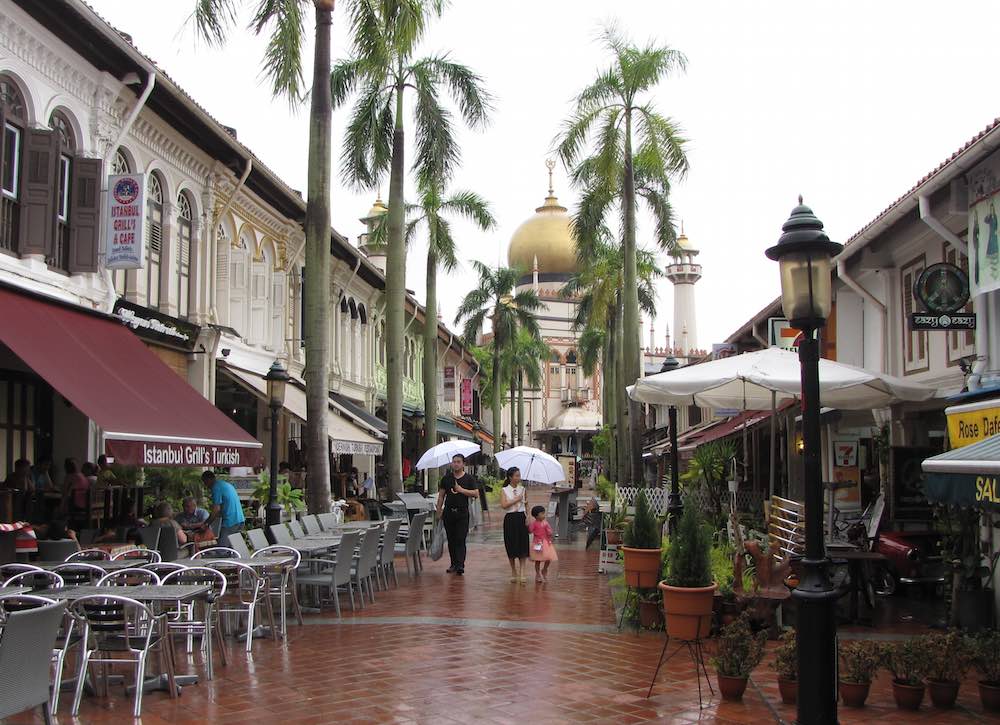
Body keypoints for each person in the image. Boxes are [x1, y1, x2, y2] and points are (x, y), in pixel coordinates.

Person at [435, 454, 478, 575]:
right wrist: (439, 510)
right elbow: (441, 495)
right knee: (451, 539)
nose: (456, 464)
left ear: (463, 464)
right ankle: (453, 563)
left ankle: (460, 565)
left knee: (460, 538)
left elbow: (476, 493)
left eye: (458, 462)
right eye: (454, 462)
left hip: (462, 512)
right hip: (449, 512)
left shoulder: (469, 478)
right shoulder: (446, 478)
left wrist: (461, 490)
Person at [500, 466, 529, 584]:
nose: (518, 477)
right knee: (511, 544)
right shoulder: (504, 490)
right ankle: (513, 570)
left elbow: (526, 504)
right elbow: (504, 505)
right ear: (510, 477)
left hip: (521, 517)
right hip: (510, 518)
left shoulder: (523, 489)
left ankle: (522, 572)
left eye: (519, 475)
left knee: (523, 545)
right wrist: (516, 499)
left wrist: (528, 517)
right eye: (516, 475)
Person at [202, 471, 245, 542]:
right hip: (240, 520)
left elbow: (216, 509)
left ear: (208, 479)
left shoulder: (216, 488)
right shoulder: (224, 484)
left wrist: (206, 524)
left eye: (205, 482)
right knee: (233, 546)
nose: (205, 485)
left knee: (222, 547)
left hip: (230, 522)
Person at [528, 504, 557, 582]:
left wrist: (550, 533)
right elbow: (530, 531)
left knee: (548, 558)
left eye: (544, 513)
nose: (544, 515)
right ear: (536, 516)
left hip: (546, 543)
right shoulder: (534, 523)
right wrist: (528, 525)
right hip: (537, 543)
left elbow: (550, 531)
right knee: (538, 560)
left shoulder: (545, 523)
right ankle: (537, 574)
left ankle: (544, 569)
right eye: (542, 514)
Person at [62, 458, 90, 525]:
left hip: (76, 505)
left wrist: (61, 507)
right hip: (87, 504)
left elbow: (65, 492)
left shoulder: (69, 476)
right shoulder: (82, 476)